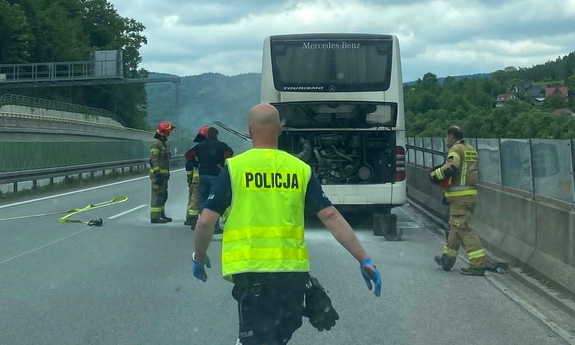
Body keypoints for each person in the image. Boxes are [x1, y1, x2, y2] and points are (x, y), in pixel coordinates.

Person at [191, 103, 382, 345]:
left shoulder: (236, 169)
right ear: (280, 130)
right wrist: (363, 259)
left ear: (250, 130)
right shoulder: (300, 169)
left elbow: (206, 221)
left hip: (253, 273)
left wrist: (199, 256)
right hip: (293, 277)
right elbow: (331, 216)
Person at [431, 125, 486, 276]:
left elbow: (452, 166)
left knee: (463, 228)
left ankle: (478, 264)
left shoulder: (455, 149)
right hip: (469, 196)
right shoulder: (470, 149)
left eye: (447, 137)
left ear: (451, 136)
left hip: (460, 198)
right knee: (455, 227)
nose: (447, 140)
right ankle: (447, 259)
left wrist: (435, 174)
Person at [185, 126, 234, 233]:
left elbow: (188, 155)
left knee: (202, 201)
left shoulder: (200, 146)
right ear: (216, 135)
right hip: (216, 176)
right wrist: (222, 164)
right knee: (214, 201)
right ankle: (214, 227)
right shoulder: (221, 145)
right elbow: (229, 153)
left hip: (203, 176)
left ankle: (202, 225)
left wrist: (196, 163)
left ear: (207, 135)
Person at [149, 121, 175, 224]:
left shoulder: (162, 143)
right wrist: (157, 173)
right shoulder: (156, 143)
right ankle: (155, 217)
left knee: (163, 195)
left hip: (163, 175)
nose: (169, 134)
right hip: (158, 175)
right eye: (168, 132)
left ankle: (161, 214)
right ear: (163, 132)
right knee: (157, 195)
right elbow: (153, 159)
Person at [184, 125, 210, 227]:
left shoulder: (196, 148)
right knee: (197, 198)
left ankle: (191, 217)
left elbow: (188, 165)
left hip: (196, 177)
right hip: (201, 176)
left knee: (194, 197)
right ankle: (192, 218)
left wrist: (189, 178)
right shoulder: (206, 148)